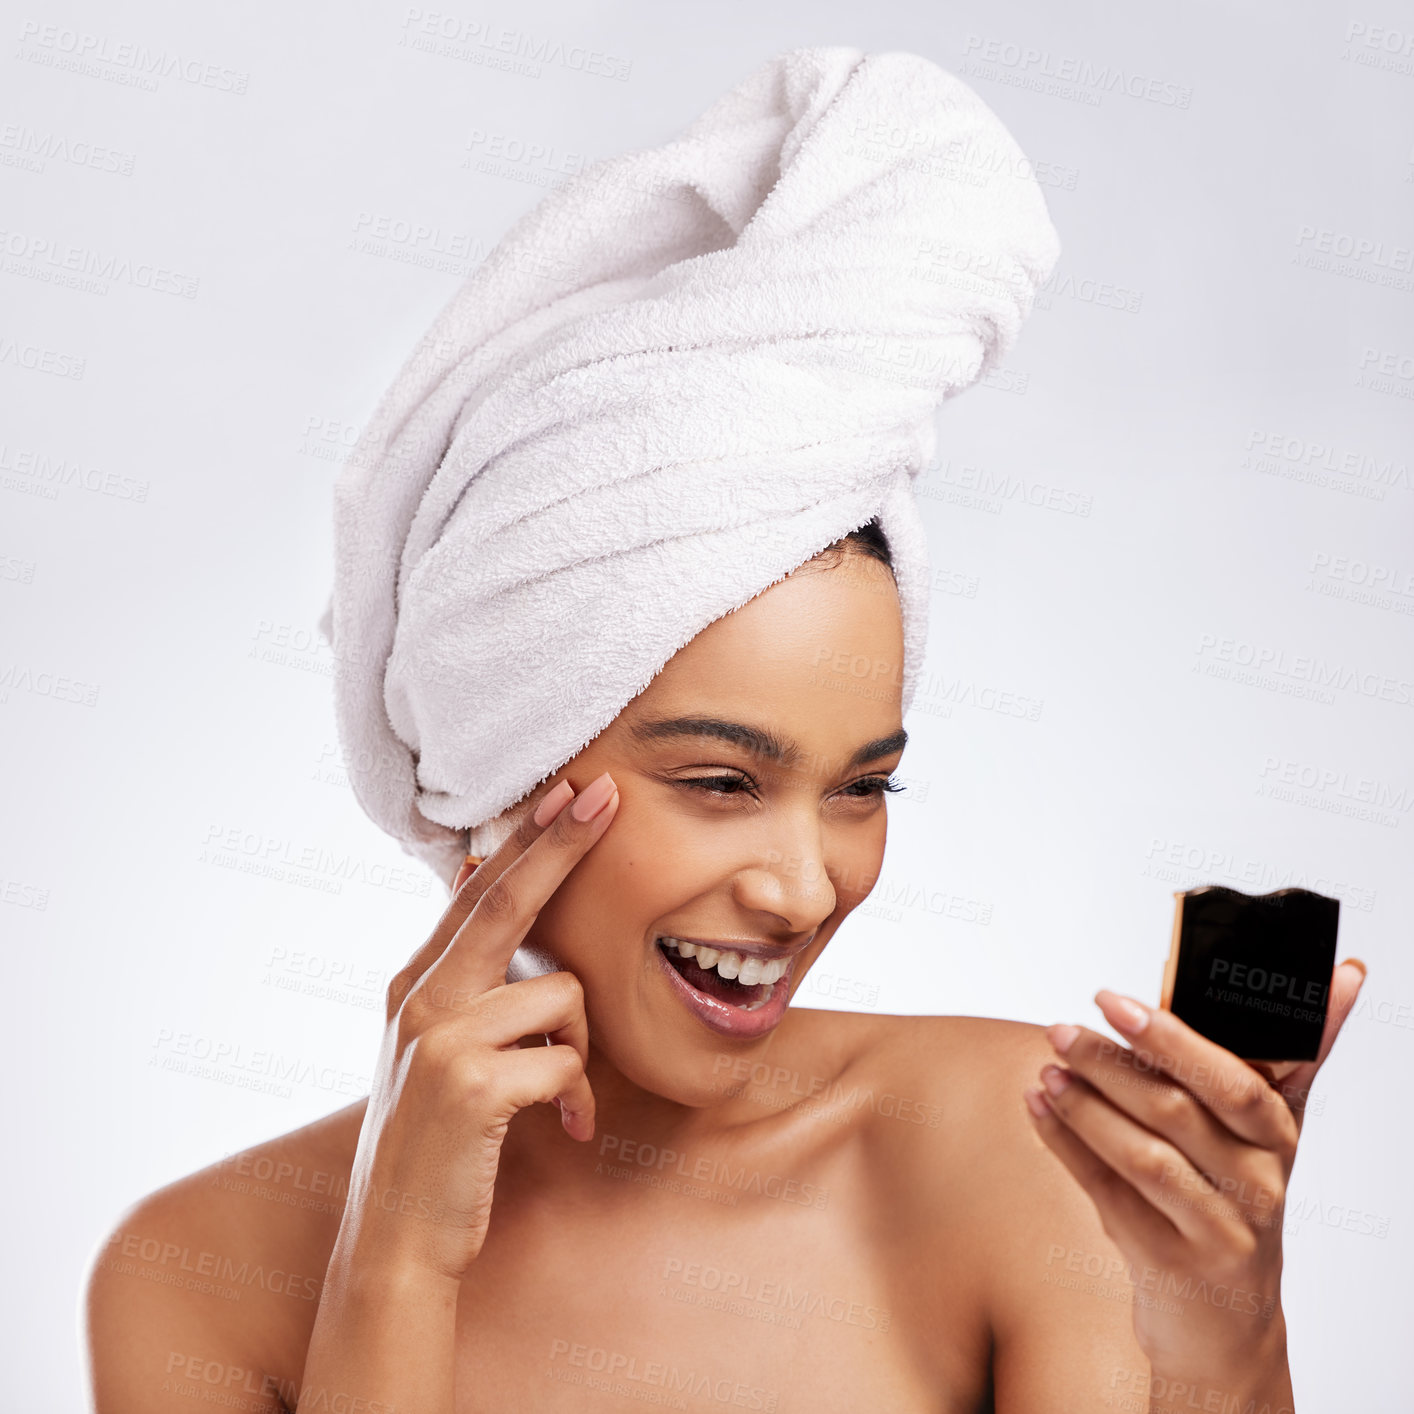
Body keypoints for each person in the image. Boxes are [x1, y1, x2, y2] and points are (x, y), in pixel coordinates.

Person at [82, 46, 1366, 1414]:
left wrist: (1225, 1341)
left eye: (860, 786)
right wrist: (391, 1264)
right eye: (717, 778)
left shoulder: (1019, 1146)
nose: (804, 885)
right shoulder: (197, 1273)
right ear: (500, 769)